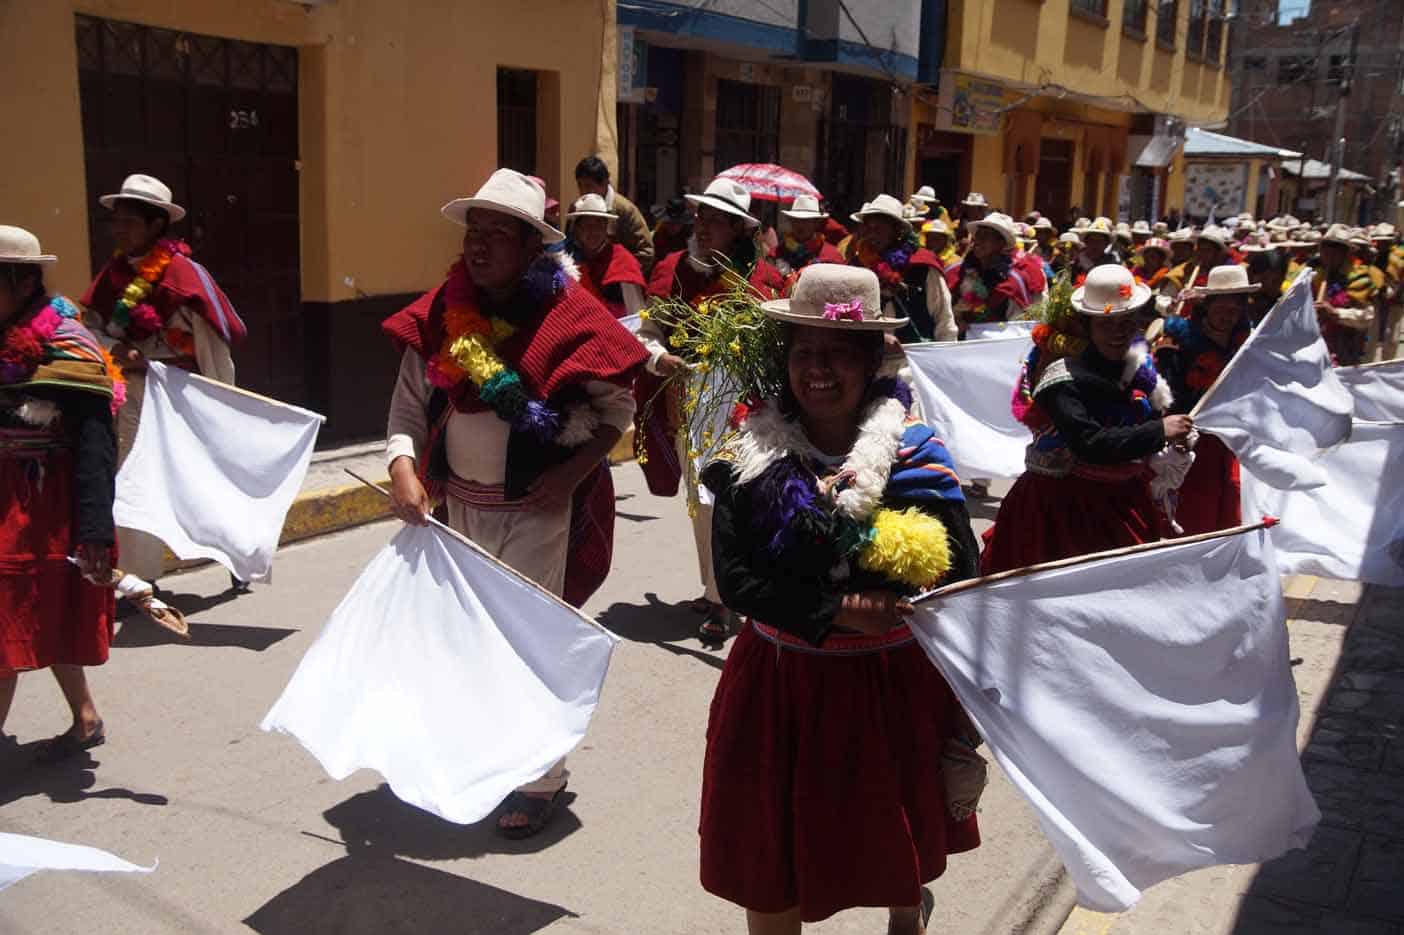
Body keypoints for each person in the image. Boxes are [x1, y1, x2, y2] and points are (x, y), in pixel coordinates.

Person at [699, 264, 983, 934]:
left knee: (895, 834)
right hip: (781, 681)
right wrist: (835, 609)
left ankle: (905, 918)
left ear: (870, 361)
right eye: (803, 352)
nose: (817, 369)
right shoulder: (751, 457)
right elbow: (736, 580)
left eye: (835, 354)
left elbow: (959, 569)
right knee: (774, 854)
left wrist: (888, 577)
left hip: (889, 682)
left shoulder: (917, 458)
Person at [381, 169, 647, 837]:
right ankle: (492, 753)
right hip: (457, 516)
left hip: (536, 510)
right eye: (475, 231)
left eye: (499, 234)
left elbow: (619, 409)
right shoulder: (444, 312)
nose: (480, 245)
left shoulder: (568, 316)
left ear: (532, 248)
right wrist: (403, 468)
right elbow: (408, 407)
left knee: (531, 646)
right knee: (469, 644)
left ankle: (542, 778)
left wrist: (574, 475)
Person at [81, 173, 246, 595]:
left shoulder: (183, 274)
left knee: (202, 480)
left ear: (156, 225)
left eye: (129, 221)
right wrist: (114, 352)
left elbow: (210, 340)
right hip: (135, 398)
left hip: (181, 396)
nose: (119, 230)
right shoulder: (114, 274)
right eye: (115, 221)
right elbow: (94, 325)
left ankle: (239, 552)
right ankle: (139, 577)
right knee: (135, 477)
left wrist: (217, 401)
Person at [641, 177, 784, 640]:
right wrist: (658, 357)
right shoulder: (672, 270)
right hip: (687, 406)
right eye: (702, 216)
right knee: (701, 505)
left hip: (747, 411)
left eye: (717, 220)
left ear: (739, 231)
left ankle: (730, 592)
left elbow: (778, 345)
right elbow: (646, 333)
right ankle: (717, 591)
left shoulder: (761, 280)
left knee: (738, 499)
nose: (704, 227)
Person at [0, 226, 121, 762]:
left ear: (21, 282)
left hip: (41, 504)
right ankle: (86, 716)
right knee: (36, 612)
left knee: (8, 617)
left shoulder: (67, 343)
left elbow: (97, 444)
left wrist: (94, 530)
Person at [982, 265, 1192, 573]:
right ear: (1088, 326)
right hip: (1062, 511)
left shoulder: (1135, 370)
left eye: (1126, 322)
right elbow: (1089, 442)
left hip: (1122, 501)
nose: (1119, 332)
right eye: (1107, 324)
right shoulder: (1062, 379)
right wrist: (1159, 430)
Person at [1154, 266, 1258, 536]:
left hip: (1230, 439)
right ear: (1207, 306)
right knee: (1194, 513)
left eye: (1234, 310)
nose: (1227, 316)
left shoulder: (1247, 345)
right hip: (1190, 442)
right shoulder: (1178, 343)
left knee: (1231, 503)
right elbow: (1166, 396)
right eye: (1221, 308)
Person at [850, 194, 956, 344]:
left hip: (914, 358)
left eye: (879, 229)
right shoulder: (857, 265)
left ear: (897, 230)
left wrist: (945, 356)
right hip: (867, 357)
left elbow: (944, 318)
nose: (872, 235)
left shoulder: (923, 265)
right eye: (869, 228)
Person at [948, 212, 1047, 338]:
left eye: (986, 236)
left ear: (1001, 243)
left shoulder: (1013, 281)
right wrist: (957, 321)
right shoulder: (962, 271)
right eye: (978, 236)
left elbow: (1017, 326)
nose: (978, 241)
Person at [564, 194, 647, 319]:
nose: (593, 232)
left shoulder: (623, 262)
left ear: (606, 229)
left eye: (598, 225)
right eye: (587, 226)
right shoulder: (567, 259)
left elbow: (636, 314)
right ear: (577, 230)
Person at [573, 156, 655, 271]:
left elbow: (646, 252)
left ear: (605, 183)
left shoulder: (625, 210)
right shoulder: (576, 207)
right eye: (580, 186)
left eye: (588, 186)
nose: (583, 191)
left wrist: (622, 273)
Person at [1313, 224, 1378, 366]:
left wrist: (1336, 313)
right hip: (1316, 348)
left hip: (1345, 349)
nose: (1328, 255)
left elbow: (1367, 317)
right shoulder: (1315, 275)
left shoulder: (1358, 277)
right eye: (1325, 249)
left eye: (1334, 251)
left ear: (1346, 253)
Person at [771, 195, 845, 289]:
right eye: (796, 220)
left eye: (806, 221)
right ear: (790, 221)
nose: (800, 225)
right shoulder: (776, 253)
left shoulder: (832, 256)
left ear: (816, 223)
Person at [1073, 217, 1118, 282]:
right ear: (1086, 242)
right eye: (1092, 240)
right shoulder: (1078, 261)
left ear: (1106, 244)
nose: (1095, 245)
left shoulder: (1111, 263)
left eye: (1100, 241)